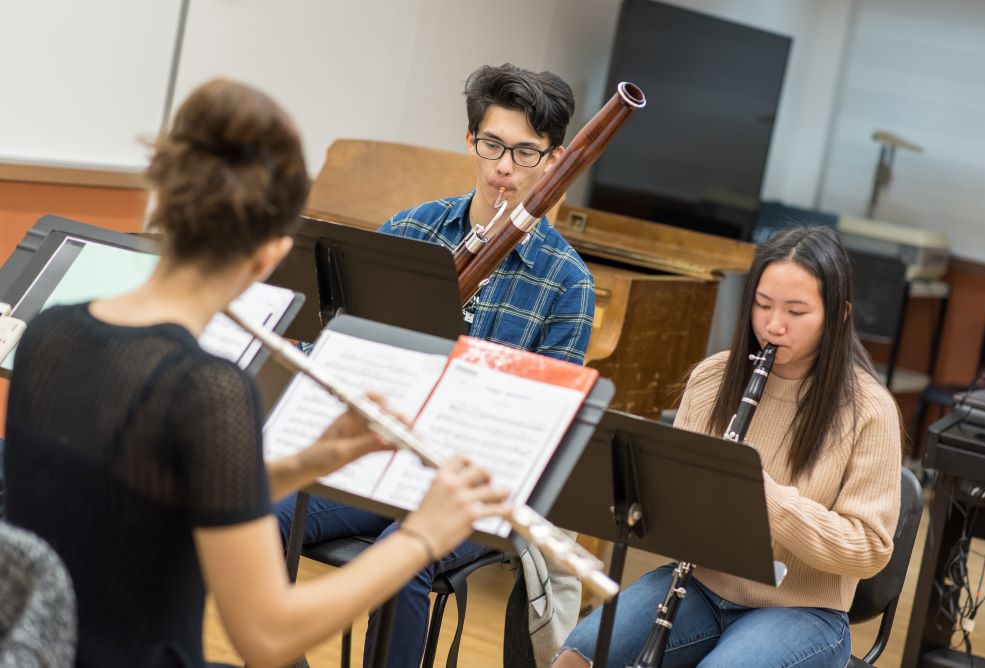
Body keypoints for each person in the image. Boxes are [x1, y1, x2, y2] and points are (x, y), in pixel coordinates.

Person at [3, 78, 509, 668]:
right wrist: (424, 534)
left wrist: (309, 463)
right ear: (271, 254)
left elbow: (150, 494)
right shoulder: (207, 389)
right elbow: (266, 639)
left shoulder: (52, 332)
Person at [273, 62, 595, 667]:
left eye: (527, 153)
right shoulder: (412, 231)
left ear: (554, 161)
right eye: (494, 145)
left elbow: (545, 430)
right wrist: (299, 356)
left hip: (472, 486)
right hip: (383, 456)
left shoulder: (568, 283)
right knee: (261, 515)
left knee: (403, 561)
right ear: (471, 140)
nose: (505, 167)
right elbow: (349, 343)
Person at [555, 226, 903, 668]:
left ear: (839, 314)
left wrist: (767, 499)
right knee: (577, 657)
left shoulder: (869, 410)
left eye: (796, 311)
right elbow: (668, 502)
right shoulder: (713, 377)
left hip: (803, 612)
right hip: (700, 585)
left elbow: (869, 549)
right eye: (762, 305)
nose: (773, 325)